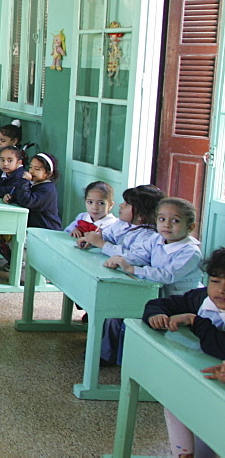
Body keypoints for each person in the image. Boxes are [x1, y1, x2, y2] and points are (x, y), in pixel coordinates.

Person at [101, 197, 204, 364]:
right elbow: (139, 255)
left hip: (177, 304)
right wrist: (119, 259)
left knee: (131, 319)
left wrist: (132, 269)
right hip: (153, 294)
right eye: (161, 219)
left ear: (190, 226)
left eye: (175, 221)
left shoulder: (190, 252)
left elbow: (167, 275)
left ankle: (128, 362)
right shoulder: (156, 239)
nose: (167, 225)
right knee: (114, 310)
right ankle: (106, 355)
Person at [143, 247, 225, 458]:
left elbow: (217, 345)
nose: (221, 290)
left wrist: (195, 321)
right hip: (202, 376)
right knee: (176, 401)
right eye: (215, 281)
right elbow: (160, 303)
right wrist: (156, 315)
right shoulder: (201, 298)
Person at [77, 185, 166, 257]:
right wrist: (92, 240)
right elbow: (108, 236)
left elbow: (133, 257)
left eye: (126, 204)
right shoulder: (122, 222)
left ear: (140, 215)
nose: (120, 205)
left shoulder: (148, 235)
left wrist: (101, 244)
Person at [4, 152, 62, 229]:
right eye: (31, 167)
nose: (31, 171)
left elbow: (27, 201)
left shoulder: (48, 189)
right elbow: (21, 196)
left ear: (48, 173)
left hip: (46, 229)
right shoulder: (34, 183)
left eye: (37, 169)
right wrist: (11, 198)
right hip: (33, 228)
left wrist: (24, 181)